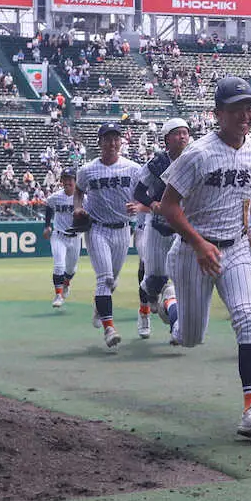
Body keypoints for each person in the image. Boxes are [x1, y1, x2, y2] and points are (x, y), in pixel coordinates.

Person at [159, 76, 251, 438]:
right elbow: (168, 206)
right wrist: (199, 243)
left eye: (248, 108)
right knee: (189, 337)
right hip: (193, 251)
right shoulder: (197, 153)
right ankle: (170, 304)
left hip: (236, 247)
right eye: (235, 109)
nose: (245, 115)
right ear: (217, 114)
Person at [74, 123, 142, 350]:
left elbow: (144, 193)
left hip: (123, 229)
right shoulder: (88, 170)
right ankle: (109, 328)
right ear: (100, 142)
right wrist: (78, 208)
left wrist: (138, 205)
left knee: (112, 280)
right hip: (97, 228)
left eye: (116, 138)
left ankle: (99, 305)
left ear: (121, 141)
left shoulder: (133, 168)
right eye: (107, 139)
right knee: (105, 279)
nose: (112, 143)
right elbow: (78, 190)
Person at [130, 118, 191, 340]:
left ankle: (177, 326)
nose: (182, 137)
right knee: (155, 280)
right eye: (177, 133)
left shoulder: (194, 159)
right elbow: (138, 192)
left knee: (181, 280)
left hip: (184, 227)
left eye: (185, 133)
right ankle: (146, 306)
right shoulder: (156, 163)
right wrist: (152, 203)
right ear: (167, 139)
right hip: (158, 225)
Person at [43, 167, 81, 308]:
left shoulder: (82, 198)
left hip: (75, 237)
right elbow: (48, 206)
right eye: (65, 179)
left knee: (71, 270)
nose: (67, 182)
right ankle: (58, 295)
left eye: (70, 179)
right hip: (59, 235)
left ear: (75, 181)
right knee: (59, 265)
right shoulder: (56, 197)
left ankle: (66, 283)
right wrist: (47, 225)